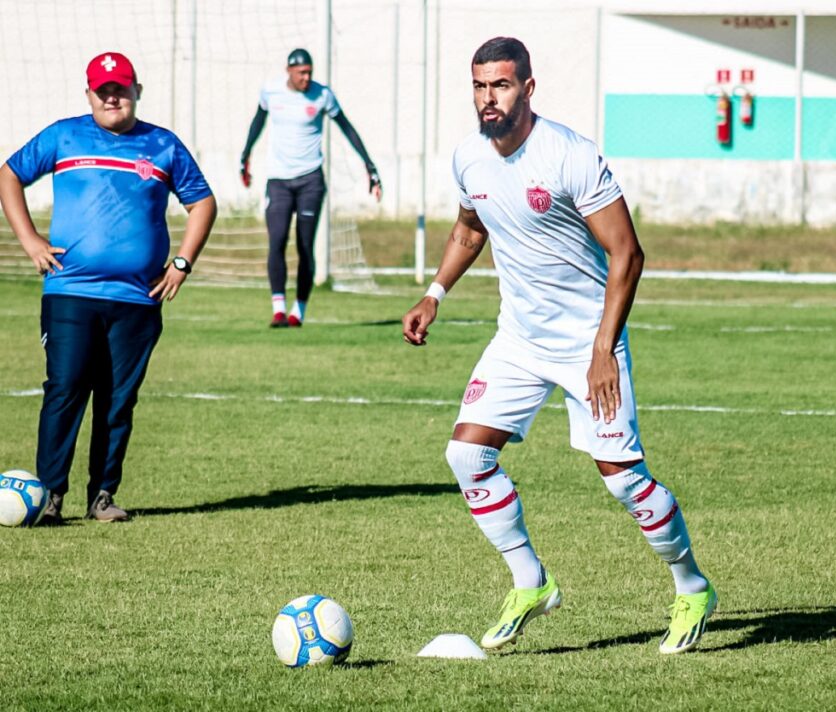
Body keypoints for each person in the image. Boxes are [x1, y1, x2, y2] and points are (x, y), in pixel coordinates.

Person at [402, 37, 716, 654]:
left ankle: (692, 586)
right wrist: (434, 293)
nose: (488, 98)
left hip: (587, 342)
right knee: (466, 457)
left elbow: (628, 252)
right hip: (519, 338)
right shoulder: (469, 157)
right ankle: (531, 582)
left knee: (623, 480)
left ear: (528, 88)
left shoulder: (569, 155)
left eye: (500, 85)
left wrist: (604, 348)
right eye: (478, 86)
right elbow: (471, 229)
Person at [0, 52, 217, 524]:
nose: (112, 97)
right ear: (90, 95)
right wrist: (31, 239)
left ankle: (101, 495)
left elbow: (202, 202)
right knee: (66, 388)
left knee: (118, 399)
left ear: (137, 91)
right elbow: (10, 174)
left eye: (121, 88)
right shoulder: (64, 135)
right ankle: (50, 495)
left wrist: (181, 263)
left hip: (137, 298)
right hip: (70, 293)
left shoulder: (164, 145)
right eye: (103, 90)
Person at [240, 48, 382, 328]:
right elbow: (257, 122)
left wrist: (370, 166)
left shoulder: (322, 96)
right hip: (279, 181)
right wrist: (245, 156)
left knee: (305, 246)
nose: (306, 78)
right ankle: (278, 308)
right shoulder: (271, 92)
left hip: (310, 181)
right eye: (301, 73)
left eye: (309, 73)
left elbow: (347, 128)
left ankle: (298, 311)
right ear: (289, 71)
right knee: (277, 241)